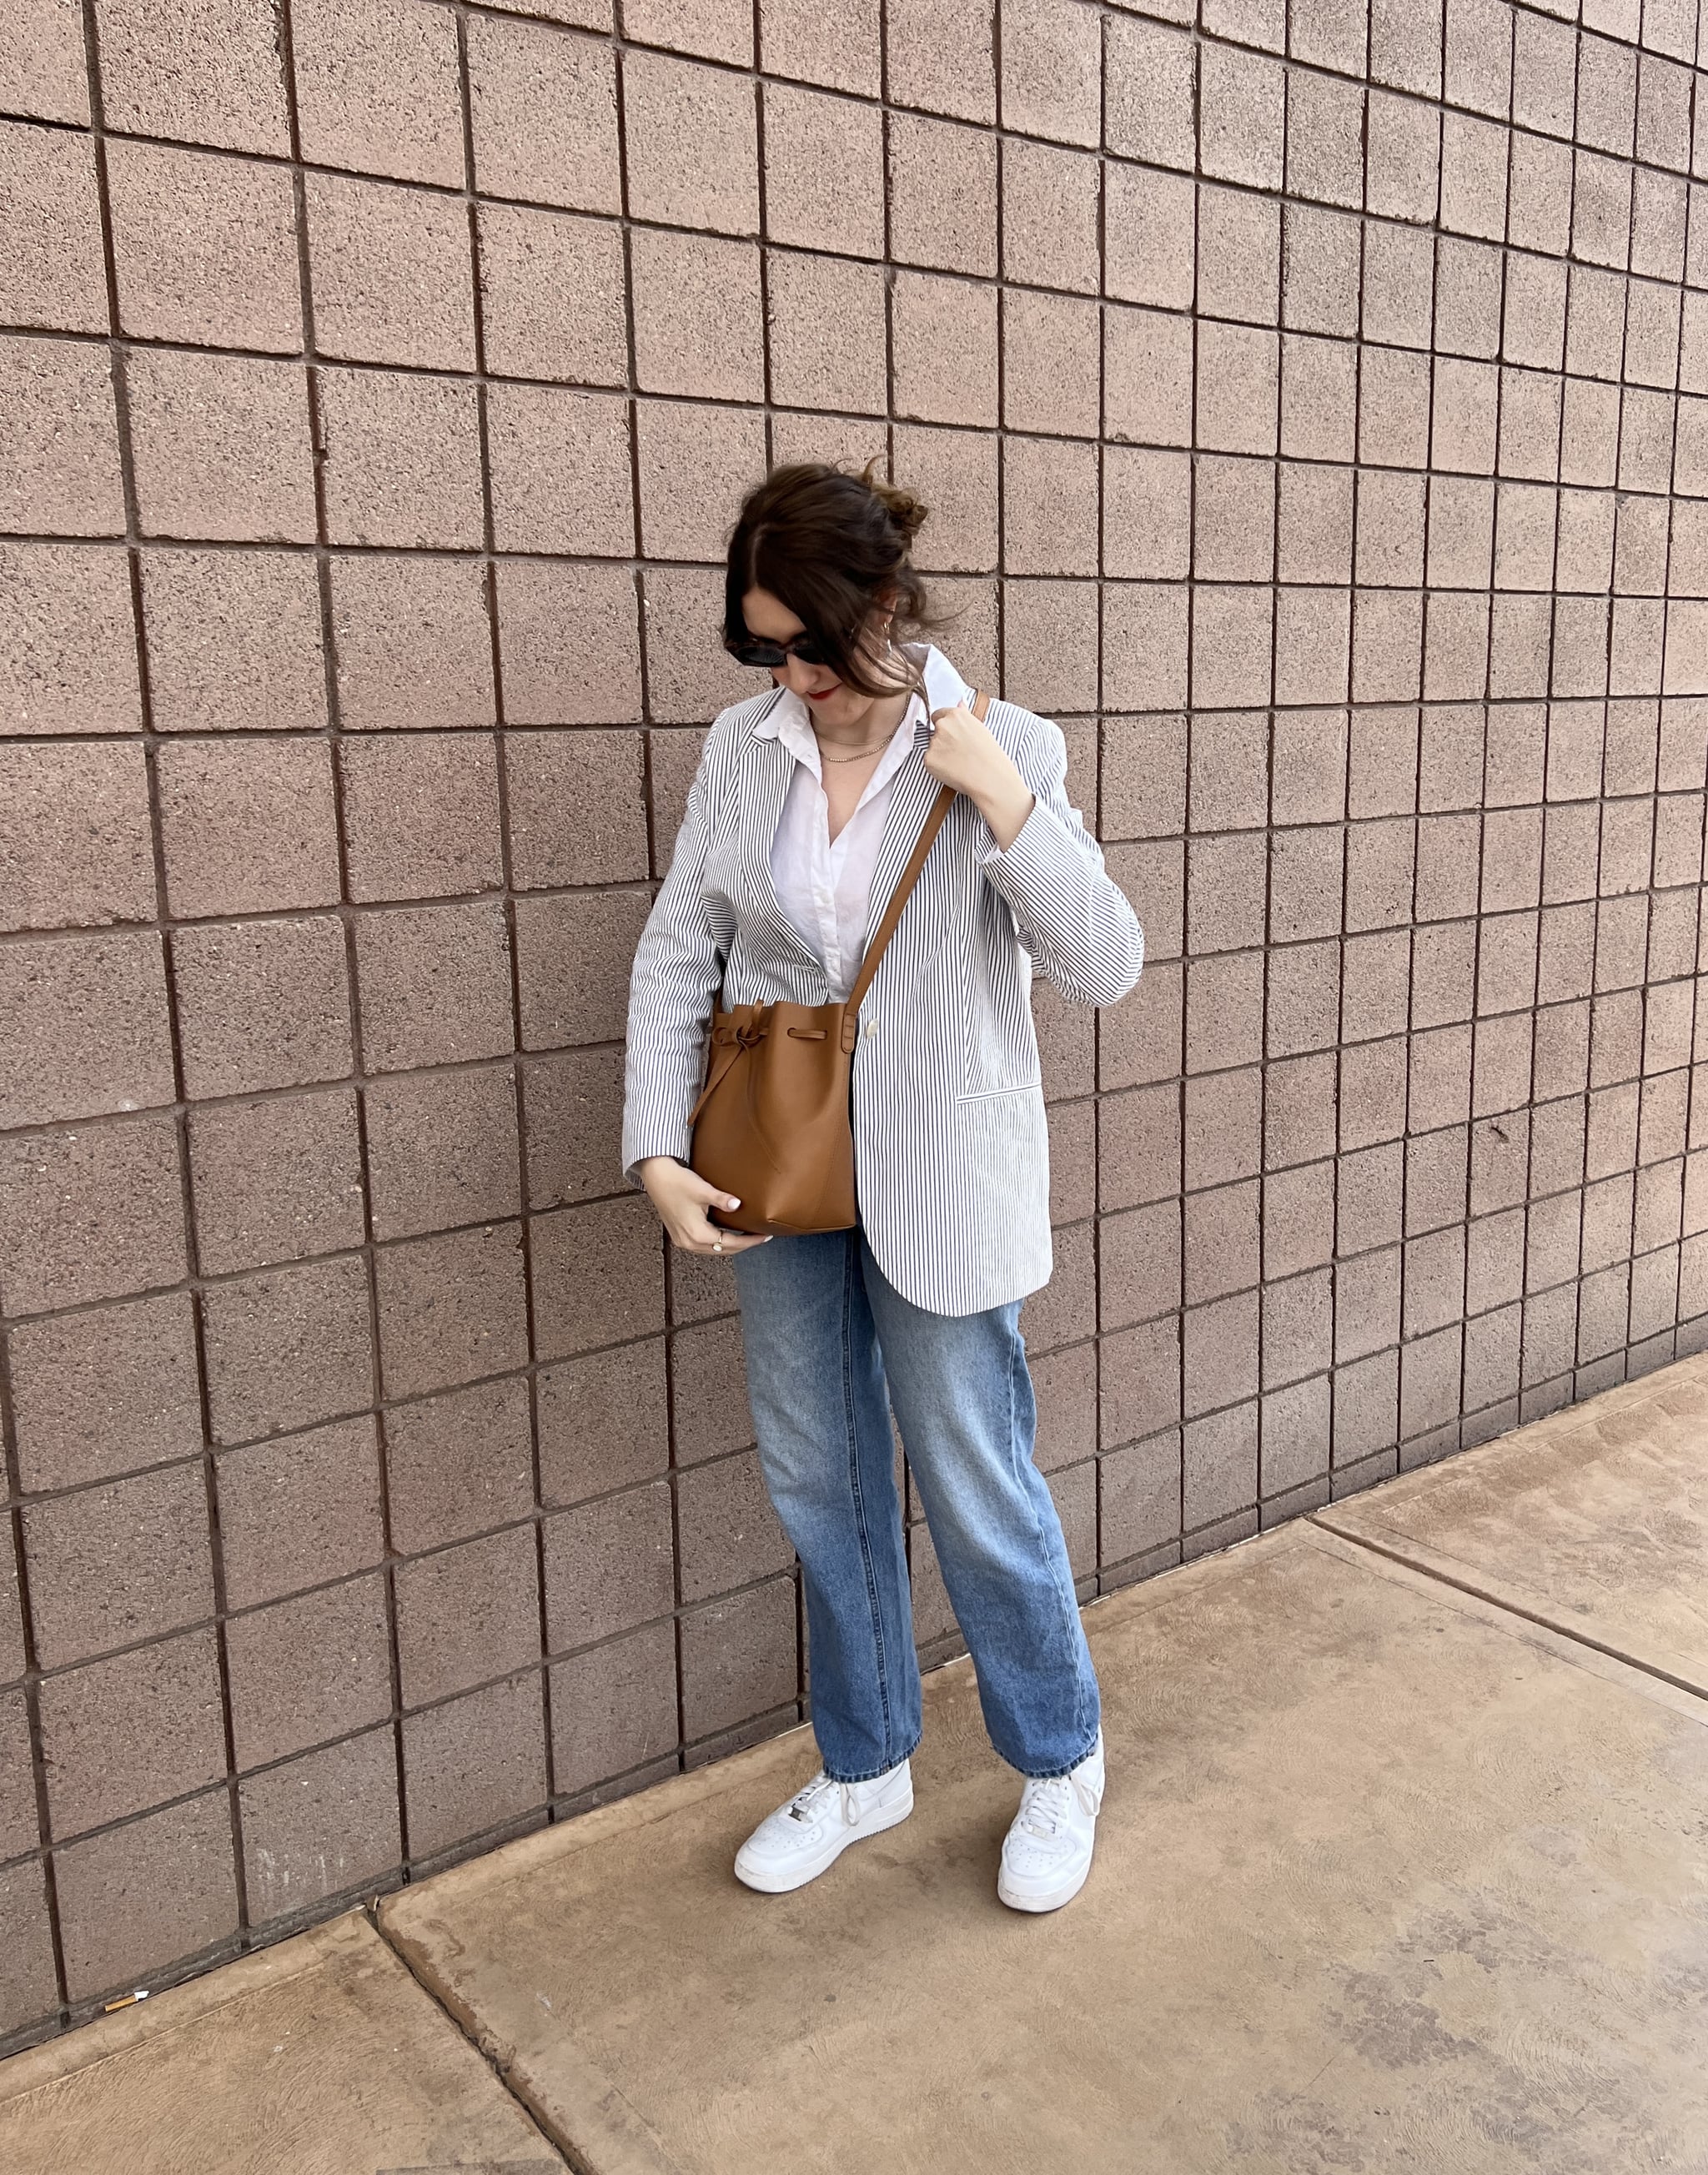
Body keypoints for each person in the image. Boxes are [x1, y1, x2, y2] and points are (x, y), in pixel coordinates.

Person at [621, 460, 1144, 1913]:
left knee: (976, 1478)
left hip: (943, 1171)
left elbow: (1107, 963)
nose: (791, 676)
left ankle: (1058, 1759)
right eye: (763, 647)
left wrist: (1007, 810)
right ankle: (867, 1762)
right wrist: (655, 1143)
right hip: (776, 1162)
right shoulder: (745, 749)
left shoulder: (1005, 742)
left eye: (810, 643)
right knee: (819, 1480)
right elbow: (683, 945)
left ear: (890, 609)